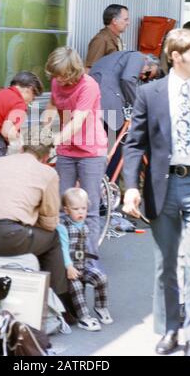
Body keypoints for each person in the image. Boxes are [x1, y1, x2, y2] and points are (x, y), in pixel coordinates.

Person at [122, 28, 190, 356]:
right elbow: (135, 144)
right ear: (175, 56)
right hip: (164, 186)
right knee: (166, 263)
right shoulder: (150, 94)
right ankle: (170, 329)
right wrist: (131, 187)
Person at [0, 132, 68, 297]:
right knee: (54, 238)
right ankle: (59, 299)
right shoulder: (47, 173)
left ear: (21, 148)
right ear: (47, 156)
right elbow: (50, 223)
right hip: (9, 236)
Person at [44, 47, 108, 256]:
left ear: (73, 71)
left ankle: (89, 257)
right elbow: (53, 103)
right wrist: (48, 119)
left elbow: (77, 120)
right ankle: (63, 254)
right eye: (55, 75)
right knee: (62, 204)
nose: (58, 80)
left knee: (87, 207)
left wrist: (55, 140)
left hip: (90, 149)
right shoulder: (56, 82)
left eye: (62, 75)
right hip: (67, 149)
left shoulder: (88, 86)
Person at [89, 51, 160, 178]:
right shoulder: (138, 56)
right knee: (114, 148)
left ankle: (101, 184)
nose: (143, 77)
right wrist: (140, 105)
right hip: (108, 108)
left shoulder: (116, 58)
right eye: (148, 74)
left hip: (92, 104)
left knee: (97, 150)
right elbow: (127, 79)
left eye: (146, 79)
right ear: (148, 62)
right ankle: (107, 187)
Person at [56, 188, 113, 331]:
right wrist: (68, 267)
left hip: (83, 265)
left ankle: (101, 307)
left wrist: (90, 262)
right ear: (66, 210)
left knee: (101, 277)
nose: (80, 212)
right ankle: (84, 317)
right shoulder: (64, 227)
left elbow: (86, 247)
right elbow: (63, 248)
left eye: (83, 208)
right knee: (77, 287)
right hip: (70, 268)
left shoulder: (85, 225)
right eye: (75, 209)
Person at [5, 1, 58, 89]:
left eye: (23, 16)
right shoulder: (21, 40)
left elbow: (39, 67)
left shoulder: (41, 37)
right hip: (23, 88)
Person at [85, 4, 130, 70]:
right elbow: (90, 69)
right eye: (125, 19)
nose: (128, 23)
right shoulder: (101, 39)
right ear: (114, 21)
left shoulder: (116, 38)